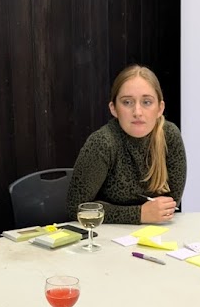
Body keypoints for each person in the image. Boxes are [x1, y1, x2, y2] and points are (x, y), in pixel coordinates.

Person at [66, 64, 187, 225]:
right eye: (127, 102)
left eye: (147, 102)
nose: (137, 112)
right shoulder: (102, 142)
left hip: (157, 234)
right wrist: (138, 214)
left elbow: (169, 204)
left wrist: (150, 214)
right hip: (106, 238)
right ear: (114, 108)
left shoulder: (169, 136)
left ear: (160, 108)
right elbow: (76, 208)